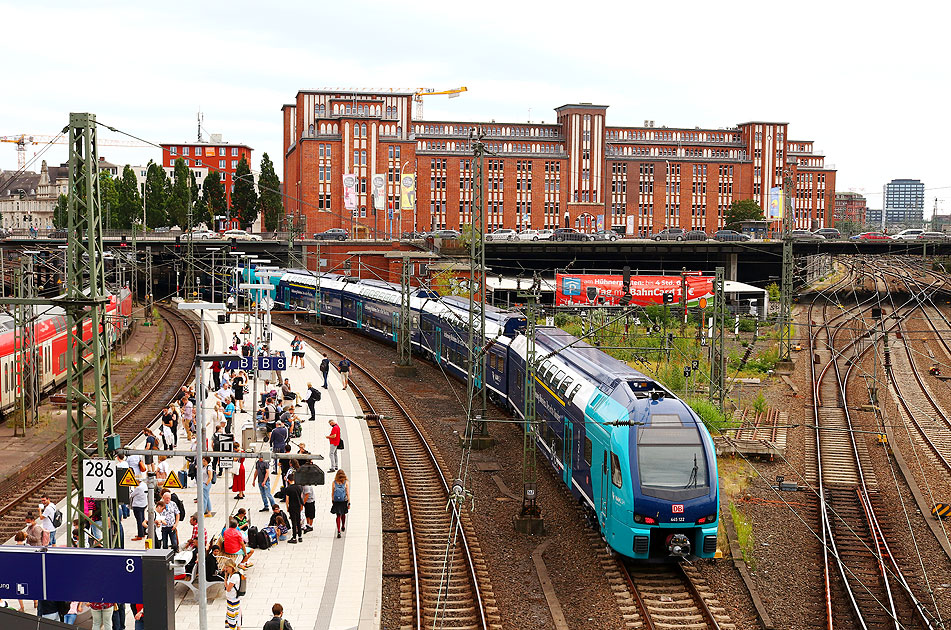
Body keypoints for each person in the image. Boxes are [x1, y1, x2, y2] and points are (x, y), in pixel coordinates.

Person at [282, 473, 305, 544]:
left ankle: (294, 537)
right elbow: (301, 497)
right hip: (298, 506)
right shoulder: (299, 487)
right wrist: (301, 505)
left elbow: (287, 499)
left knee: (293, 522)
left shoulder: (288, 488)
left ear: (288, 480)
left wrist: (287, 507)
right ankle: (300, 536)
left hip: (292, 506)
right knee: (298, 521)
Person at [330, 469, 350, 539]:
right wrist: (349, 502)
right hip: (343, 501)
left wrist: (332, 500)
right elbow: (347, 493)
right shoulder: (346, 482)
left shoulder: (334, 482)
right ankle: (343, 526)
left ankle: (338, 531)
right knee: (343, 514)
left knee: (338, 515)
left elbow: (332, 493)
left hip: (336, 501)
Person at [222, 559, 242, 630]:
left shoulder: (234, 577)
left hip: (232, 600)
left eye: (227, 567)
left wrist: (225, 578)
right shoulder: (232, 575)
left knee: (232, 619)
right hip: (233, 599)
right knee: (237, 617)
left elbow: (228, 589)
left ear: (231, 567)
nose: (225, 569)